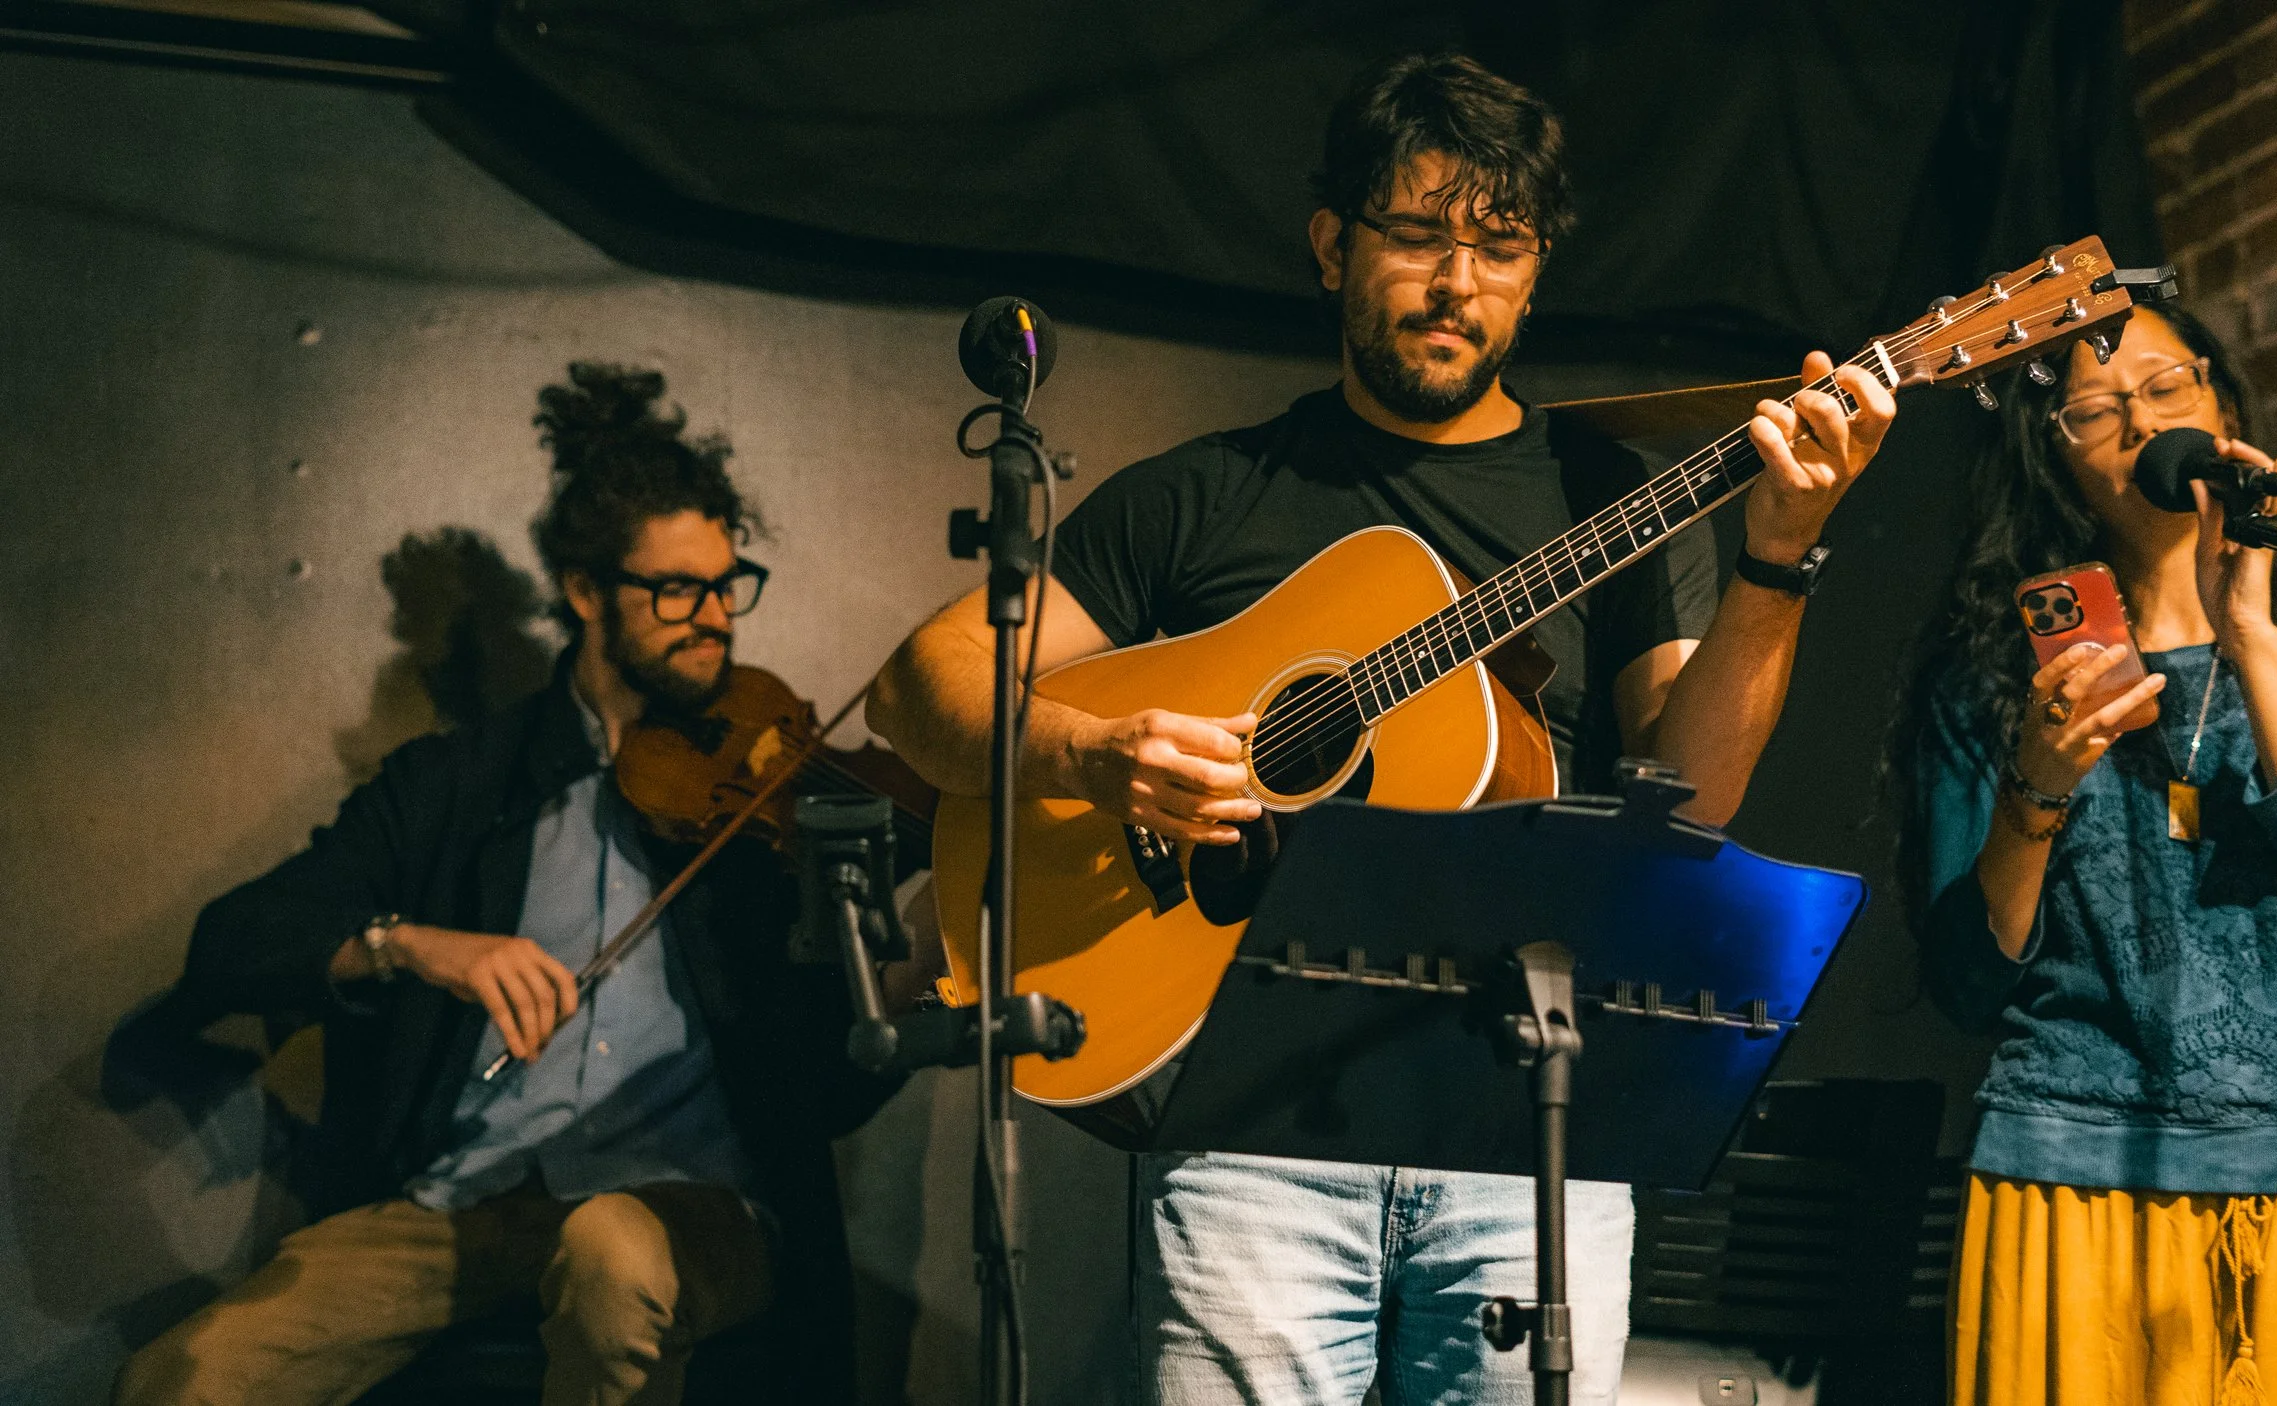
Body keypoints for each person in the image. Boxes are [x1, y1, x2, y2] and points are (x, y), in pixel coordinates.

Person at [869, 52, 1896, 1404]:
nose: (1454, 281)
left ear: (1533, 275)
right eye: (1415, 235)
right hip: (1253, 1142)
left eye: (1498, 245)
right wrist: (1093, 752)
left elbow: (1690, 803)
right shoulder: (1202, 499)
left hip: (1528, 1118)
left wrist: (1777, 558)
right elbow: (915, 691)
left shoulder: (1614, 498)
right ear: (1332, 246)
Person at [117, 364, 895, 1406]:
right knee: (184, 1377)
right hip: (469, 1198)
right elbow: (234, 940)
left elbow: (833, 1085)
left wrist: (905, 957)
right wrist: (412, 943)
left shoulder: (762, 803)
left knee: (612, 1256)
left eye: (726, 584)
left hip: (689, 1203)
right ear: (585, 593)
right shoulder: (458, 784)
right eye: (676, 591)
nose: (715, 618)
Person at [1894, 303, 2277, 1405]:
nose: (2138, 418)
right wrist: (2039, 775)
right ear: (2054, 454)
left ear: (2224, 411)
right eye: (2093, 407)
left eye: (2166, 386)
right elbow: (1967, 973)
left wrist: (2252, 635)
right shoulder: (1995, 674)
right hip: (2072, 1163)